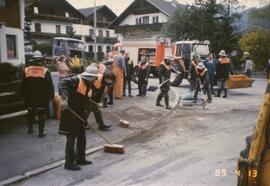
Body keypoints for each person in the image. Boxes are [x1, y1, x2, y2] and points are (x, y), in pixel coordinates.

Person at [59, 64, 99, 171]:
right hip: (70, 114)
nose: (94, 81)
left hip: (80, 115)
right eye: (93, 79)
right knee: (71, 139)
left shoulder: (88, 84)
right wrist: (64, 99)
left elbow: (84, 98)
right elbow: (62, 82)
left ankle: (80, 158)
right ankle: (69, 163)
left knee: (82, 138)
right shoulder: (76, 80)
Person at [22, 50, 55, 138]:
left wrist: (24, 96)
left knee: (30, 112)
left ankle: (30, 129)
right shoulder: (45, 71)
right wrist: (52, 96)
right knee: (41, 113)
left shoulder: (26, 70)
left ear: (33, 59)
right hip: (42, 97)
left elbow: (23, 85)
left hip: (30, 97)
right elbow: (50, 85)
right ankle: (41, 132)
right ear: (41, 59)